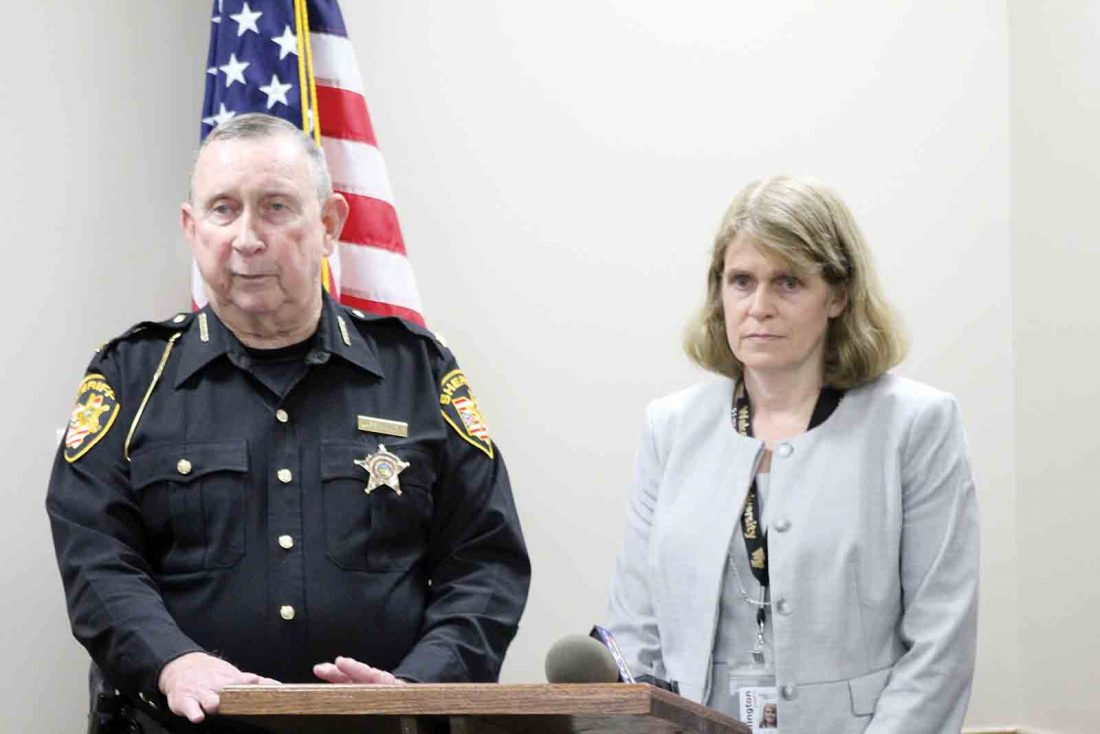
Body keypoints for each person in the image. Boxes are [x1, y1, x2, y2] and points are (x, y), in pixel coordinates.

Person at [47, 113, 530, 731]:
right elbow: (95, 556)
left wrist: (418, 688)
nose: (247, 238)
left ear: (329, 225)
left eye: (275, 207)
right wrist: (172, 661)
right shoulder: (131, 376)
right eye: (223, 210)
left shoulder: (416, 372)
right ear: (192, 229)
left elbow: (485, 561)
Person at [605, 176, 979, 734]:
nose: (760, 307)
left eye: (788, 283)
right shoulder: (671, 428)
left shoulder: (915, 425)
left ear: (838, 295)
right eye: (742, 281)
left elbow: (940, 645)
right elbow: (636, 631)